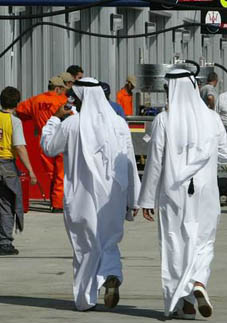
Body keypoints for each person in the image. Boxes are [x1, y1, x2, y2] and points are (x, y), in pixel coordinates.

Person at [138, 69, 227, 320]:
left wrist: (148, 199)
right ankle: (198, 285)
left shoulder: (164, 120)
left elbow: (155, 162)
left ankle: (182, 301)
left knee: (175, 243)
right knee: (203, 242)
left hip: (174, 191)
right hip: (206, 191)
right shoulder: (212, 119)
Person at [40, 77, 141, 311]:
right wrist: (133, 198)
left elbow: (48, 146)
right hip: (113, 194)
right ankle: (111, 273)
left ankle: (86, 299)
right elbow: (129, 162)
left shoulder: (72, 124)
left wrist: (55, 118)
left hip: (81, 195)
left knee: (85, 244)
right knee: (108, 240)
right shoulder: (118, 123)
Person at [16, 76, 68, 213]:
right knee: (60, 174)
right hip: (59, 140)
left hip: (42, 140)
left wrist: (34, 117)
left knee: (50, 174)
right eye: (62, 89)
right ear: (58, 88)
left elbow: (19, 111)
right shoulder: (62, 100)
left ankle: (53, 201)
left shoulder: (35, 100)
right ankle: (57, 204)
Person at [0, 87, 37, 256]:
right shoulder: (14, 121)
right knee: (8, 203)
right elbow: (20, 147)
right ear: (17, 103)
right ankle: (5, 242)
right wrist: (30, 170)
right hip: (6, 165)